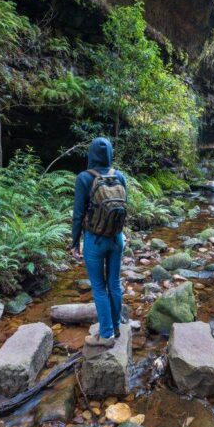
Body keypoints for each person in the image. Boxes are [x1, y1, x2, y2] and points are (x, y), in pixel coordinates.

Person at [70, 137, 128, 347]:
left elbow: (78, 215)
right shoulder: (119, 176)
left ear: (91, 154)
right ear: (110, 154)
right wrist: (121, 232)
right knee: (114, 284)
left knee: (99, 287)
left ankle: (106, 335)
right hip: (117, 238)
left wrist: (75, 243)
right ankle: (116, 327)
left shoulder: (84, 178)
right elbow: (123, 208)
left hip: (95, 241)